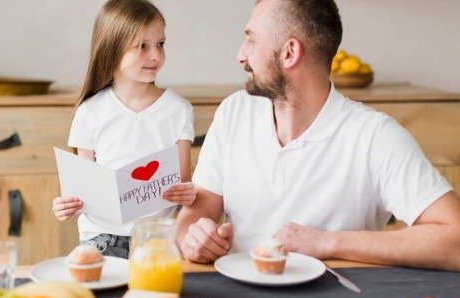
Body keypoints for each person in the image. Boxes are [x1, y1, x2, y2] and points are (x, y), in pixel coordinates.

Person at [176, 0, 460, 271]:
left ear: (289, 53)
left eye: (251, 39)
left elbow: (455, 239)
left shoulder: (374, 137)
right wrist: (194, 239)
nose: (241, 54)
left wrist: (328, 242)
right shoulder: (233, 112)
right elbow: (195, 215)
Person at [52, 0, 196, 259]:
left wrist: (187, 193)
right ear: (113, 50)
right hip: (101, 236)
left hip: (156, 238)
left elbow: (182, 182)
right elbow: (84, 189)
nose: (155, 55)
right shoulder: (89, 112)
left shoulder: (178, 110)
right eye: (142, 46)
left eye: (160, 44)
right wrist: (67, 205)